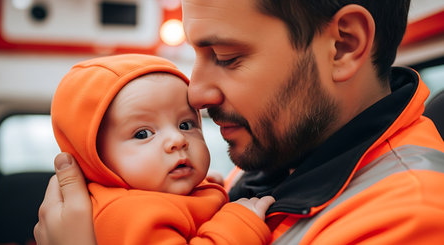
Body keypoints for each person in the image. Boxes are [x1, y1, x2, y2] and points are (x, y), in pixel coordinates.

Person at [35, 0, 444, 244]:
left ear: (343, 45)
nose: (194, 94)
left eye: (227, 57)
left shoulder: (411, 219)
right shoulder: (274, 159)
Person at [47, 53, 274, 244]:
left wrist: (203, 189)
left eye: (185, 124)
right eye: (143, 134)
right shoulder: (126, 213)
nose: (177, 139)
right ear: (95, 159)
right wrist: (238, 225)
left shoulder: (153, 195)